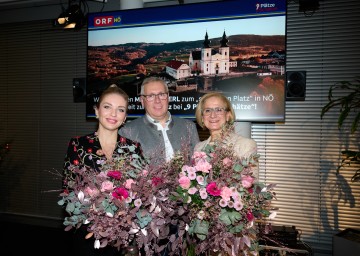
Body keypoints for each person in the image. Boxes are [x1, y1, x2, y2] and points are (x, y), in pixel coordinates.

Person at [63, 84, 144, 256]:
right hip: (89, 233)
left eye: (120, 109)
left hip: (123, 234)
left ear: (125, 117)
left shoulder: (134, 148)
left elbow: (140, 192)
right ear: (97, 110)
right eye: (107, 107)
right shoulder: (78, 145)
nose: (113, 114)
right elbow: (70, 190)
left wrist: (124, 215)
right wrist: (96, 216)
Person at [119, 76, 200, 165]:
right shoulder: (128, 131)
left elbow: (198, 165)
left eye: (161, 95)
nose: (157, 100)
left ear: (168, 97)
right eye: (151, 96)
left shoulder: (189, 127)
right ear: (142, 101)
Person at [194, 92, 259, 179]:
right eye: (208, 110)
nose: (213, 115)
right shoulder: (198, 148)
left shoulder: (246, 145)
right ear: (202, 118)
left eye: (219, 110)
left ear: (228, 115)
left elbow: (251, 185)